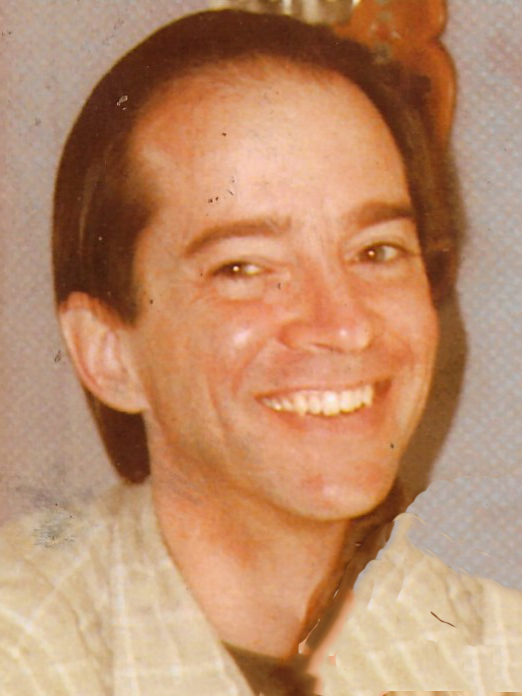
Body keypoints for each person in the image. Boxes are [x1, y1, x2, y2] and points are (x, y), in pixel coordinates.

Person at [1, 9, 520, 695]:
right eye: (243, 268)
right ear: (109, 354)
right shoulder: (25, 646)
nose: (344, 325)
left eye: (376, 251)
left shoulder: (494, 655)